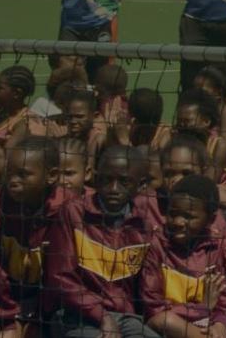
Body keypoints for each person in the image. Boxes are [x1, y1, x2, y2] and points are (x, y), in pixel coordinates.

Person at [43, 145, 154, 338]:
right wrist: (101, 315)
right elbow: (61, 277)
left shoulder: (144, 226)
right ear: (95, 178)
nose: (113, 189)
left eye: (124, 182)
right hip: (74, 315)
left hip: (126, 318)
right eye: (106, 180)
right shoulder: (73, 213)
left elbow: (149, 288)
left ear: (141, 184)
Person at [0, 137, 74, 338]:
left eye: (23, 174)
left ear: (51, 176)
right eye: (9, 173)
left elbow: (63, 275)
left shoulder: (67, 207)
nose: (13, 181)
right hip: (2, 295)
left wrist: (40, 317)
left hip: (49, 301)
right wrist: (7, 317)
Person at [141, 175, 226, 338]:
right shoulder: (156, 245)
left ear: (211, 219)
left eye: (188, 216)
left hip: (205, 325)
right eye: (173, 214)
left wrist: (221, 324)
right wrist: (203, 307)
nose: (178, 222)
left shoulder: (216, 248)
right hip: (167, 328)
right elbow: (153, 305)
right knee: (167, 321)